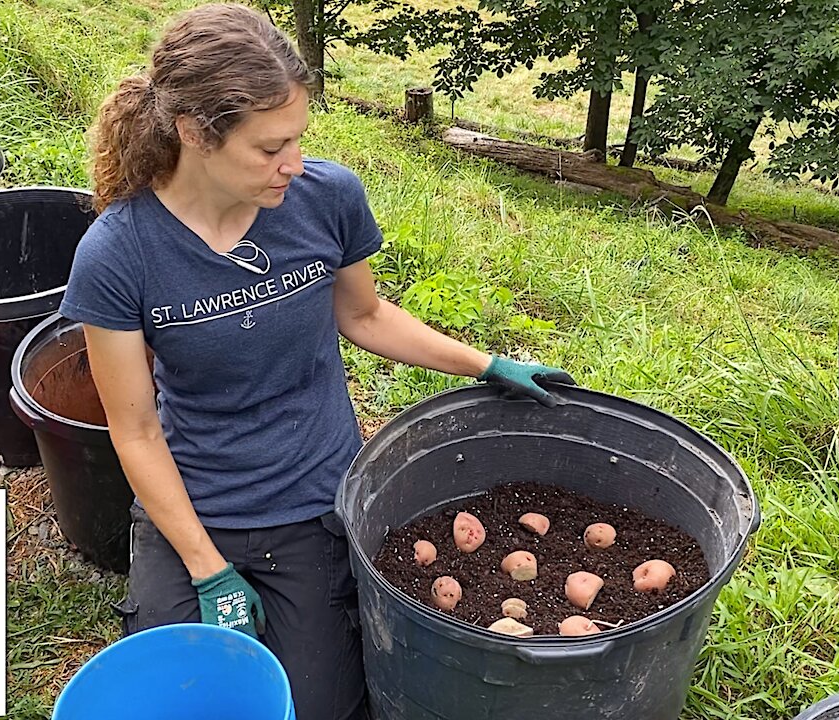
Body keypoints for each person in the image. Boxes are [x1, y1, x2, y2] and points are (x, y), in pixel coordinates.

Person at [59, 4, 573, 719]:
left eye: (298, 139)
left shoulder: (325, 199)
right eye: (270, 148)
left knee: (316, 708)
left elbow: (362, 315)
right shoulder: (118, 254)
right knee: (186, 696)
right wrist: (209, 571)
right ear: (192, 134)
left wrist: (485, 364)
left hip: (313, 501)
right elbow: (136, 429)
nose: (292, 165)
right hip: (195, 504)